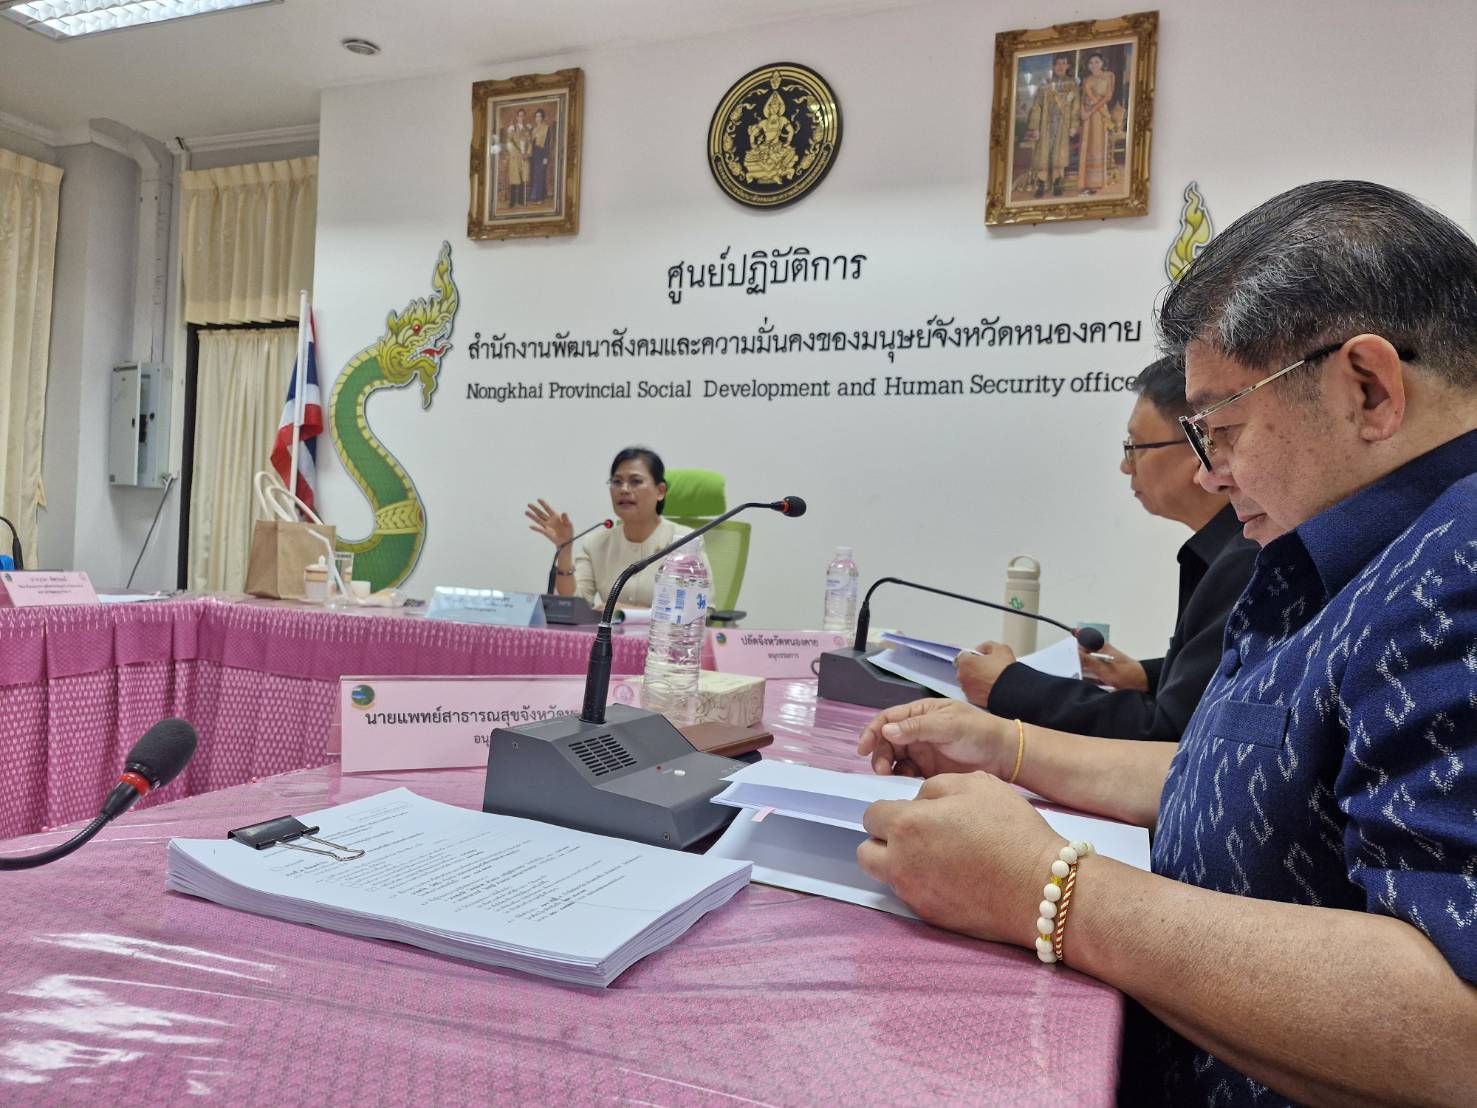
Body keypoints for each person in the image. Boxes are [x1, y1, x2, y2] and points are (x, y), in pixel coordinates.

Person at [855, 180, 1477, 1105]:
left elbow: (1454, 1029)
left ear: (1367, 388)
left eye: (1221, 430)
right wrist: (1013, 745)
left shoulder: (1456, 568)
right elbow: (1247, 772)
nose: (1210, 473)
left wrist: (1049, 890)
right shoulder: (1358, 543)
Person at [955, 356, 1258, 741]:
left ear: (1199, 443)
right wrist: (1144, 676)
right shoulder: (1227, 549)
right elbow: (1210, 680)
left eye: (1135, 447)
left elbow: (1167, 733)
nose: (1124, 466)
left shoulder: (1249, 557)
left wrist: (1009, 686)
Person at [526, 447, 708, 610]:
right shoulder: (596, 543)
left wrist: (625, 612)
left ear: (660, 491)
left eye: (636, 481)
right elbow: (573, 604)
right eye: (617, 482)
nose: (624, 489)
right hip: (608, 643)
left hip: (665, 644)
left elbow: (700, 610)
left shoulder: (684, 540)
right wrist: (564, 550)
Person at [1023, 54, 1079, 198]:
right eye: (1058, 64)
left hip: (1063, 125)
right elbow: (1037, 106)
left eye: (1064, 63)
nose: (1061, 66)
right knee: (1043, 155)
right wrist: (1035, 127)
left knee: (1059, 155)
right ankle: (1041, 185)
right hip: (1045, 125)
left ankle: (1057, 183)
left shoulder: (1072, 85)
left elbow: (1076, 107)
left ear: (1067, 66)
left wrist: (1073, 125)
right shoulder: (1045, 84)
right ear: (1053, 67)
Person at [1076, 52, 1114, 194]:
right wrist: (1082, 112)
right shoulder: (1087, 79)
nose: (1094, 65)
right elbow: (1083, 97)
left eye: (1097, 61)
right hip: (1087, 116)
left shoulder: (1109, 76)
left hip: (1099, 114)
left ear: (1102, 63)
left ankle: (1097, 182)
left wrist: (1090, 111)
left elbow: (1107, 97)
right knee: (1087, 145)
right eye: (1091, 62)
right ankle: (1086, 182)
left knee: (1097, 144)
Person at [503, 108, 531, 208]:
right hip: (515, 157)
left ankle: (521, 200)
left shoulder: (527, 130)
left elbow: (530, 143)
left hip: (524, 157)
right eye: (519, 115)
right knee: (514, 179)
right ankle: (512, 201)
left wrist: (527, 154)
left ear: (525, 117)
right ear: (517, 117)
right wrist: (516, 153)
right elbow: (509, 142)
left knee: (523, 178)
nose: (521, 117)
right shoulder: (513, 129)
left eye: (523, 115)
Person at [529, 107, 555, 205]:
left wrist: (546, 157)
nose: (538, 118)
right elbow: (529, 142)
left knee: (540, 175)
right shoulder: (532, 129)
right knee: (534, 175)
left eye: (539, 116)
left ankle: (539, 197)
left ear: (542, 117)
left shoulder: (547, 128)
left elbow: (548, 143)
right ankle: (535, 195)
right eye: (536, 116)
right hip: (533, 154)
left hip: (541, 153)